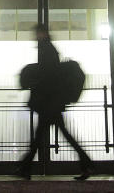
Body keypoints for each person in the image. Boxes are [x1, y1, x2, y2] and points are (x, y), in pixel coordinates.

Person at [16, 23, 94, 180]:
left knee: (41, 137)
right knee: (55, 135)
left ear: (42, 33)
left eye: (37, 33)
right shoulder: (48, 48)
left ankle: (25, 168)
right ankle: (86, 164)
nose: (35, 36)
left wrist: (35, 83)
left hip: (49, 102)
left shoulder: (46, 49)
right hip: (52, 102)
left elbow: (48, 76)